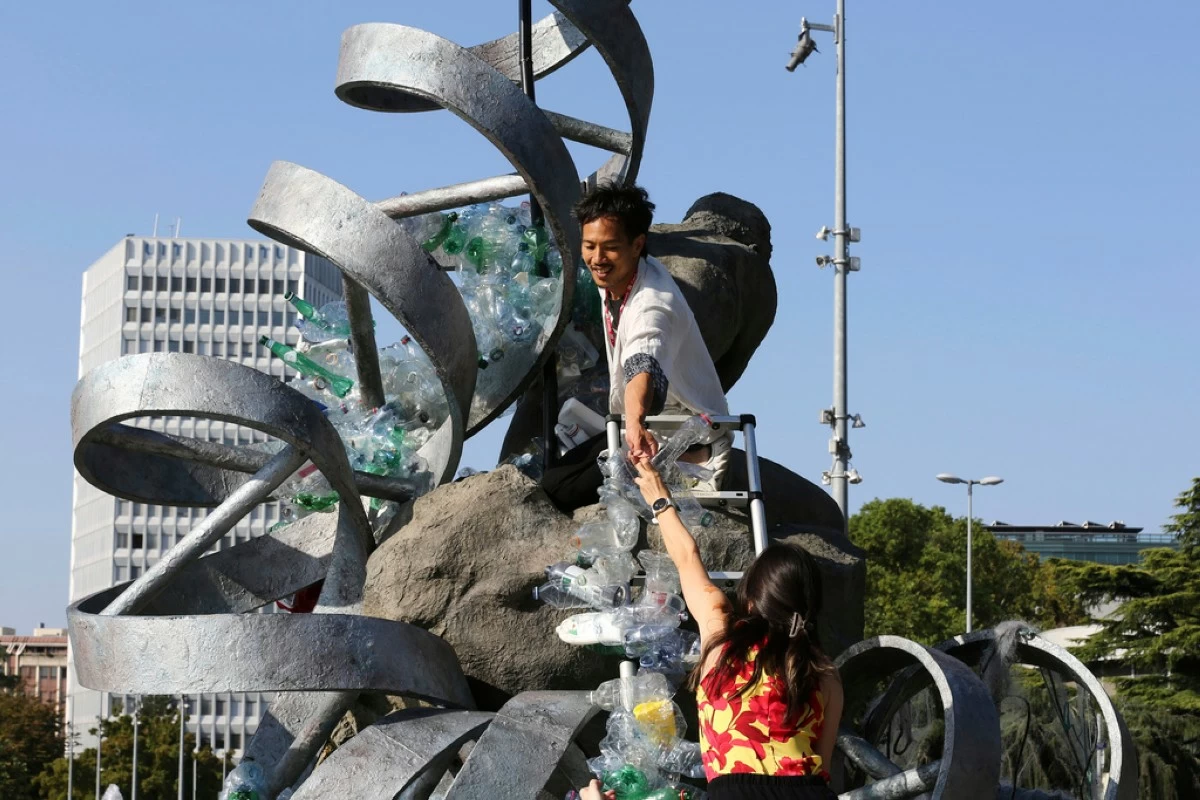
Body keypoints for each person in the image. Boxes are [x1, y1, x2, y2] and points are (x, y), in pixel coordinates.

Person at [579, 458, 842, 800]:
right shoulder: (823, 672)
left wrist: (659, 498)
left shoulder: (723, 639)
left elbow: (687, 557)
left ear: (752, 599)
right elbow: (821, 766)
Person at [543, 182, 732, 511]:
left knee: (559, 489)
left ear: (637, 245)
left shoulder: (653, 304)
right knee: (557, 469)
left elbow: (643, 365)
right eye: (589, 246)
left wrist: (634, 425)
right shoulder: (620, 276)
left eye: (610, 248)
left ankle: (699, 460)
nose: (597, 258)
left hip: (683, 431)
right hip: (645, 423)